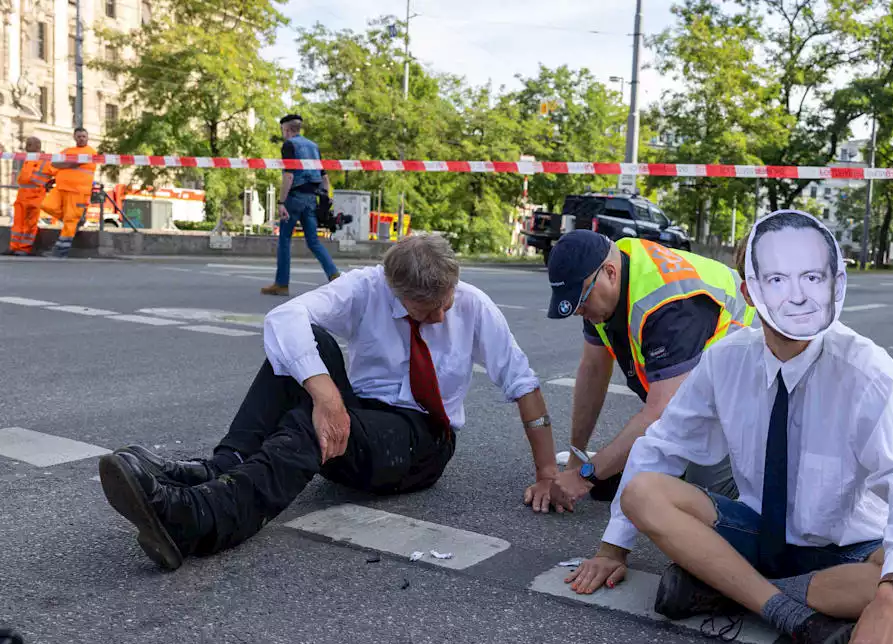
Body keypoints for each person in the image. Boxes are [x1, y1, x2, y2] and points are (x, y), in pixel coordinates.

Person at [573, 210, 893, 644]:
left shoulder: (866, 370)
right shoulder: (726, 359)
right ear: (750, 292)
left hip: (847, 550)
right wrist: (613, 548)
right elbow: (662, 446)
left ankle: (727, 587)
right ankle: (791, 614)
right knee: (643, 492)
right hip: (757, 531)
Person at [97, 234, 559, 571]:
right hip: (361, 415)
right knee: (304, 344)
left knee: (306, 424)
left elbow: (522, 383)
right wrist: (324, 392)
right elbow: (285, 317)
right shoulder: (366, 287)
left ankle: (198, 520)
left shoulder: (474, 305)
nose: (441, 314)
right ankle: (218, 468)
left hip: (420, 441)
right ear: (395, 289)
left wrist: (546, 475)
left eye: (446, 301)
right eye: (427, 309)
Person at [538, 230, 755, 583]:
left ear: (609, 273)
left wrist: (611, 545)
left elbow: (660, 420)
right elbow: (593, 371)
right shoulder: (605, 277)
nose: (581, 310)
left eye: (582, 301)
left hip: (745, 401)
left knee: (706, 510)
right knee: (619, 477)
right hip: (699, 391)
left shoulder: (668, 303)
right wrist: (579, 457)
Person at [261, 114, 340, 296]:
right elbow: (324, 177)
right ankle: (334, 275)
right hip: (311, 199)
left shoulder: (289, 145)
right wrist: (325, 200)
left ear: (287, 130)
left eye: (283, 131)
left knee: (284, 240)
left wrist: (281, 202)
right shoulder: (314, 147)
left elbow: (289, 176)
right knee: (313, 241)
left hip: (294, 198)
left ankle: (281, 284)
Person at [41, 127, 96, 258]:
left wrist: (63, 163)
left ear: (87, 137)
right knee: (46, 206)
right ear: (74, 137)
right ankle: (75, 221)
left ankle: (60, 252)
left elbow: (73, 164)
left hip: (78, 191)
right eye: (79, 136)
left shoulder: (90, 152)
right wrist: (65, 164)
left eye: (83, 136)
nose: (81, 138)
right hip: (60, 188)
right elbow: (54, 163)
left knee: (70, 220)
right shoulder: (68, 150)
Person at [5, 137, 52, 256]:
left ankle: (24, 248)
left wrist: (50, 183)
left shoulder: (45, 160)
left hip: (34, 197)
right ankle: (14, 247)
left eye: (29, 144)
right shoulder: (28, 159)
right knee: (17, 223)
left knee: (30, 225)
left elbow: (57, 172)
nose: (26, 146)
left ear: (37, 146)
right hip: (22, 196)